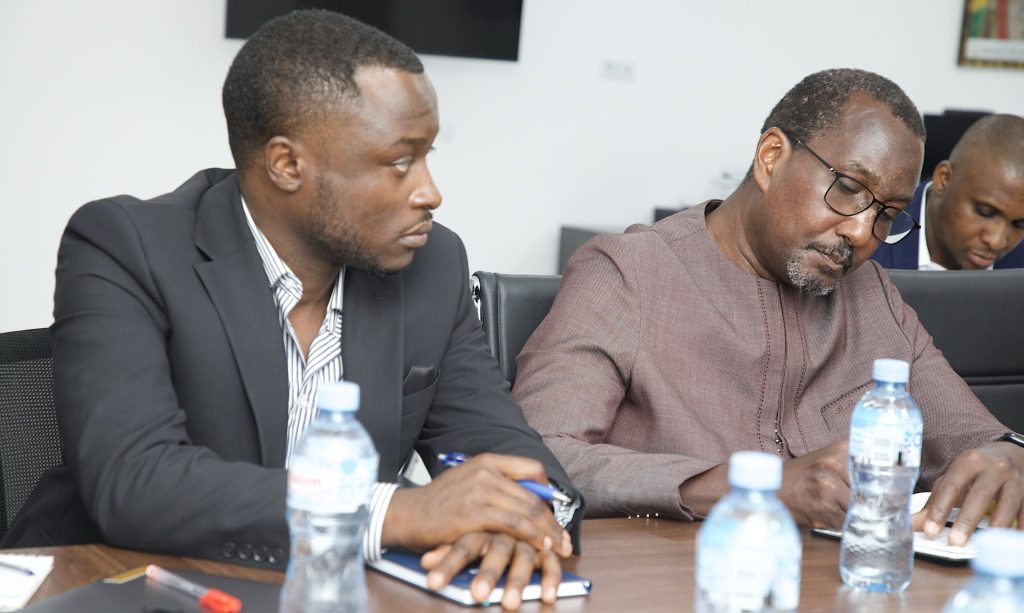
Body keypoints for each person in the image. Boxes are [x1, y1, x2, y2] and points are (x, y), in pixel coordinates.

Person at [2, 11, 580, 609]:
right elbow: (135, 481)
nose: (430, 191)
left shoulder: (433, 266)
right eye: (400, 162)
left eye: (427, 156)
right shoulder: (127, 246)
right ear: (286, 165)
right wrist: (395, 511)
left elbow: (513, 457)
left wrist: (521, 523)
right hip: (114, 585)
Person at [513, 68, 1024, 548]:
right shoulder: (628, 273)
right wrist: (750, 485)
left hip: (841, 584)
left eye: (888, 214)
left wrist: (1006, 453)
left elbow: (973, 432)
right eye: (849, 189)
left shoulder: (871, 293)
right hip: (677, 577)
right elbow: (538, 458)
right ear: (772, 156)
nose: (861, 232)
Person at [872, 113, 1024, 270]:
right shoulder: (869, 246)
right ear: (943, 180)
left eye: (1019, 224)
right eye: (985, 212)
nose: (997, 242)